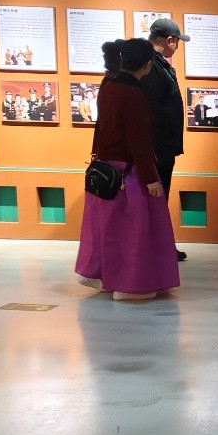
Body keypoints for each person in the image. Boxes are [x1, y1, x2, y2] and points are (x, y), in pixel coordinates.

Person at [74, 39, 179, 301]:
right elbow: (138, 141)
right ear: (147, 65)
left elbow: (101, 127)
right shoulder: (134, 94)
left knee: (108, 231)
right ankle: (129, 284)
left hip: (106, 171)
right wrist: (151, 178)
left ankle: (107, 279)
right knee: (134, 233)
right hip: (128, 174)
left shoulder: (107, 85)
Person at [139, 18, 189, 261]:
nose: (177, 47)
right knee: (154, 200)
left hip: (163, 146)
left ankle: (160, 245)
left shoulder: (159, 65)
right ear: (169, 40)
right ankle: (155, 248)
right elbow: (153, 111)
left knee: (159, 199)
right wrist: (154, 148)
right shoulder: (152, 66)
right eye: (177, 42)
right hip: (158, 147)